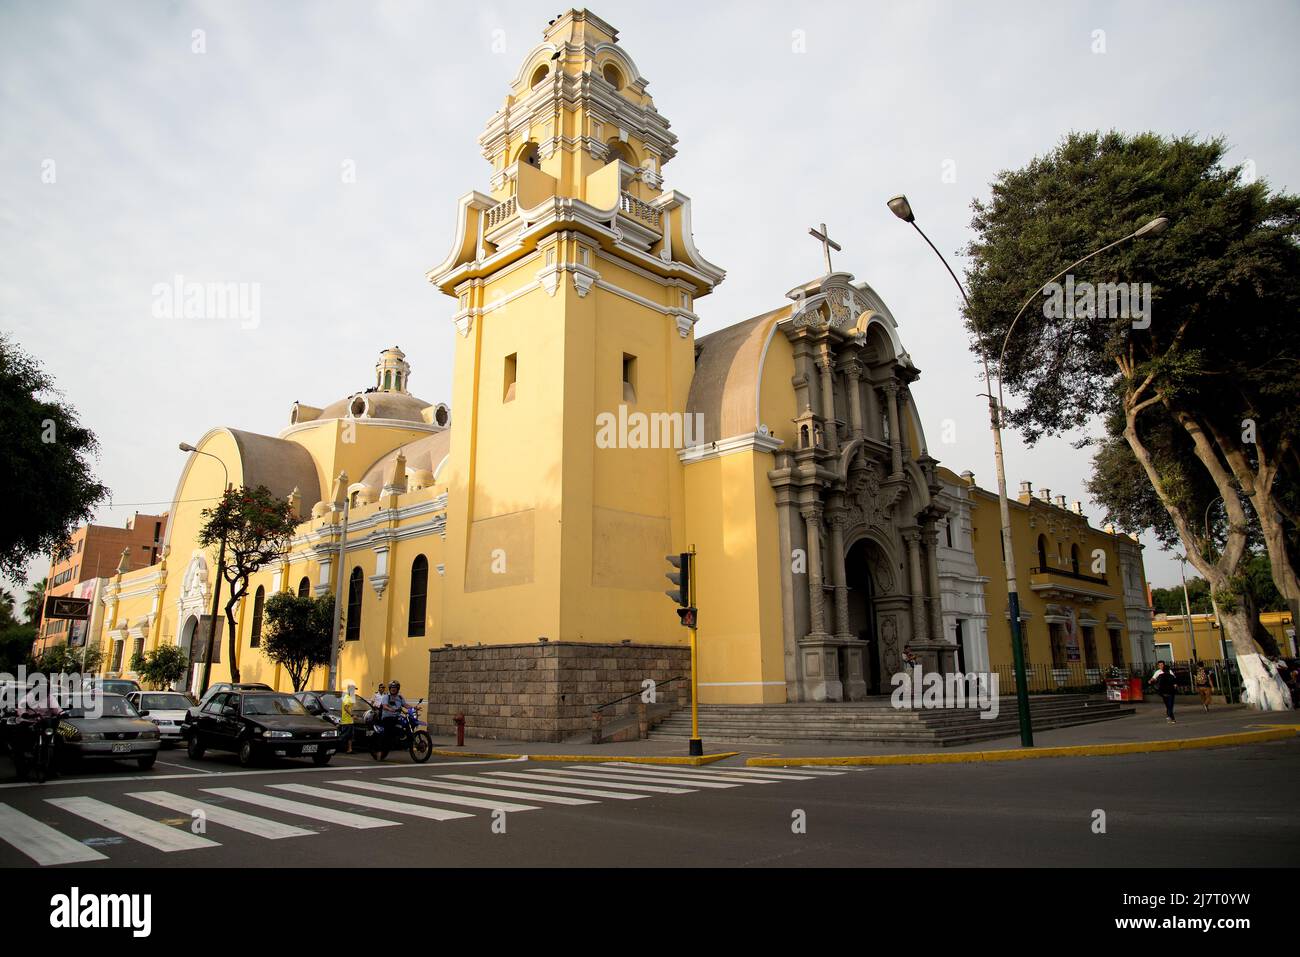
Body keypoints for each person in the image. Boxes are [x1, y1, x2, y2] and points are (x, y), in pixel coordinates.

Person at [339, 680, 357, 754]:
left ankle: (349, 749)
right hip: (346, 721)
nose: (354, 691)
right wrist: (352, 715)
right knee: (344, 736)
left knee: (350, 736)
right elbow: (345, 708)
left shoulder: (350, 697)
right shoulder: (346, 697)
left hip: (350, 721)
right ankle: (338, 748)